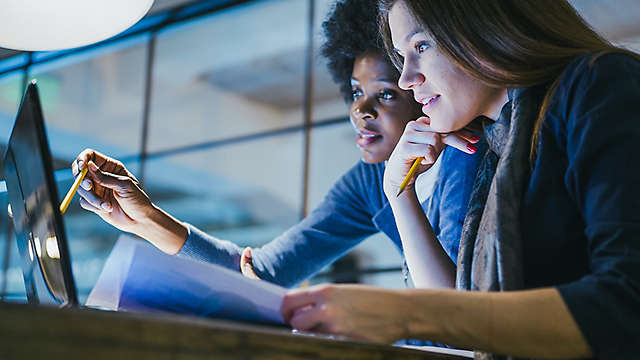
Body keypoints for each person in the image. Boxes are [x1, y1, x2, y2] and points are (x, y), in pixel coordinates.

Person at [280, 1, 640, 359]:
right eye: (402, 56)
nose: (406, 78)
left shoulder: (599, 84)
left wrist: (406, 313)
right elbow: (467, 321)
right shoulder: (499, 140)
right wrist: (398, 191)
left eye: (421, 46)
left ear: (483, 27)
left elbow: (625, 304)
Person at [72, 0, 481, 289]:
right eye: (356, 92)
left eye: (386, 94)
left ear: (421, 86)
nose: (361, 110)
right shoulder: (371, 181)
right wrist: (143, 218)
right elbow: (261, 274)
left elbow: (458, 311)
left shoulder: (469, 155)